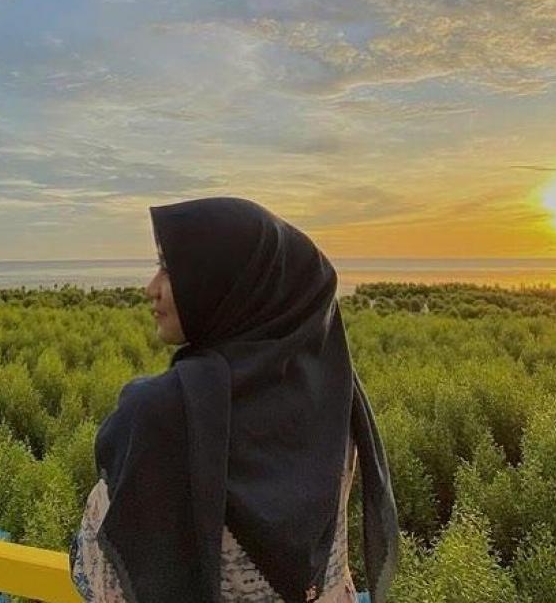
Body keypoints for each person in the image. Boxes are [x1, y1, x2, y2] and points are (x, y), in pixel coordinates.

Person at [69, 196, 401, 603]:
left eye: (170, 269)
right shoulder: (334, 393)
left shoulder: (163, 412)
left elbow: (101, 575)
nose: (150, 288)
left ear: (227, 282)